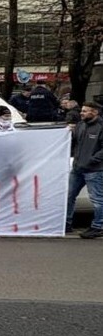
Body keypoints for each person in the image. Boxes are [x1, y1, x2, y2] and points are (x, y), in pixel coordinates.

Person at [67, 101, 103, 238]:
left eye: (85, 111)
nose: (81, 113)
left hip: (94, 170)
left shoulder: (100, 127)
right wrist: (69, 132)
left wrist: (92, 160)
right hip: (77, 169)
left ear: (94, 112)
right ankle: (67, 223)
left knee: (97, 199)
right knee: (69, 196)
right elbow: (73, 143)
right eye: (82, 110)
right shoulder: (81, 126)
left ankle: (98, 226)